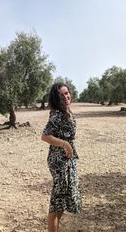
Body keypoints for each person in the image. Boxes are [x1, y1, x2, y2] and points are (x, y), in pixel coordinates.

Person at [41, 82, 82, 232]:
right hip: (59, 161)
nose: (66, 96)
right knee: (57, 202)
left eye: (67, 93)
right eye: (61, 95)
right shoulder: (57, 114)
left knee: (62, 200)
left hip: (66, 160)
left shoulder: (66, 111)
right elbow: (45, 136)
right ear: (56, 98)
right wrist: (65, 144)